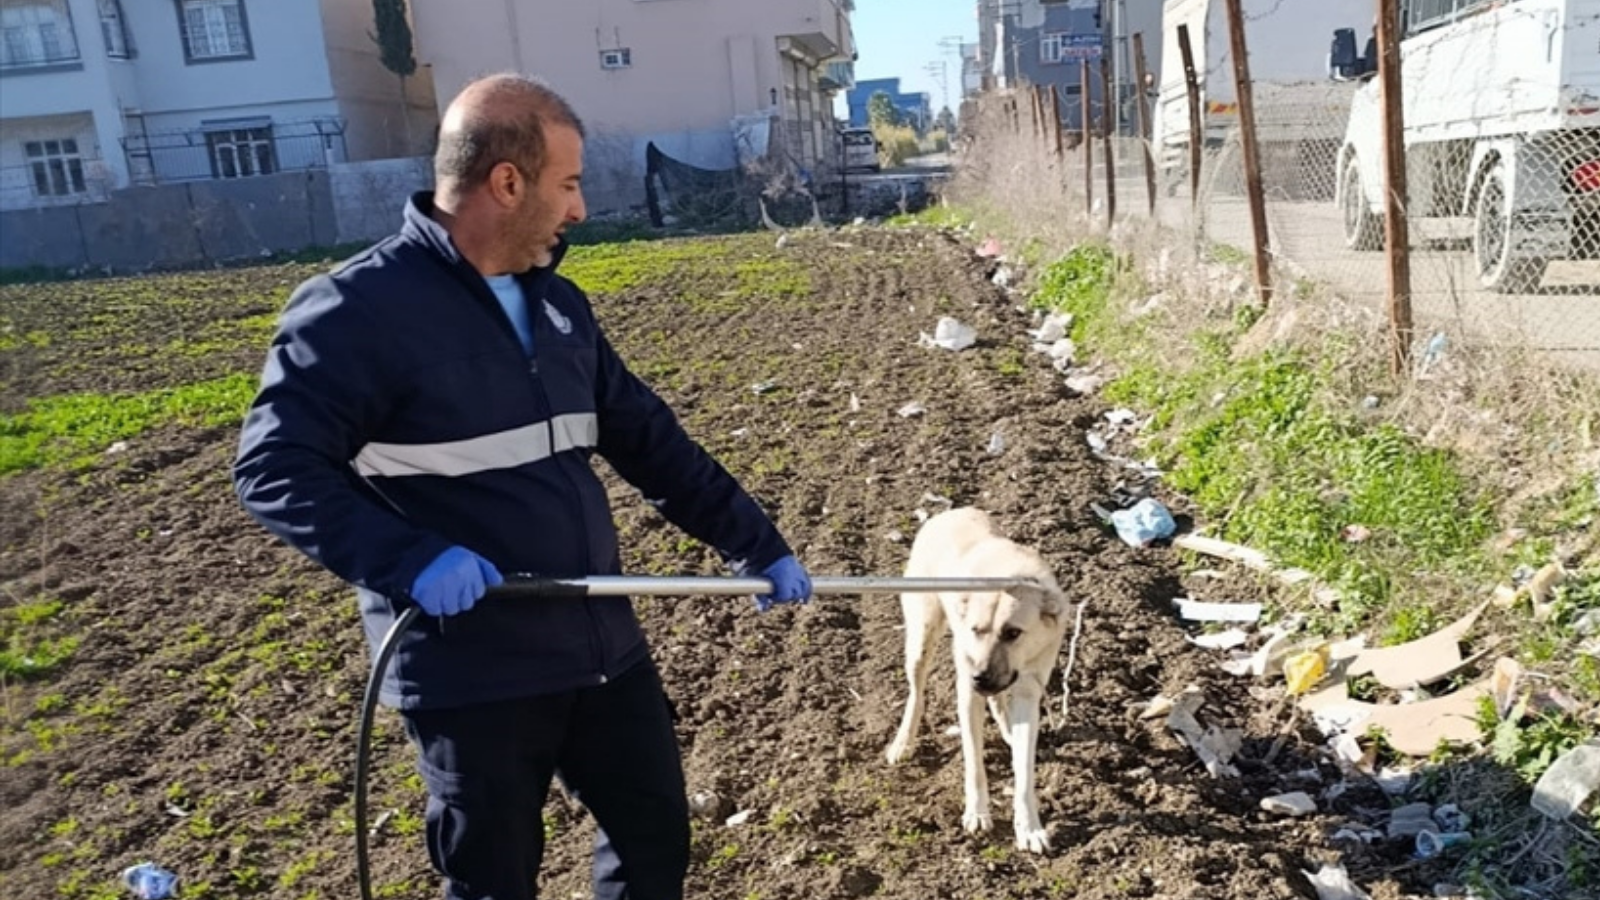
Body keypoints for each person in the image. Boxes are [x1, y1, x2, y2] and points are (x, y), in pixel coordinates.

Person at [232, 72, 813, 900]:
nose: (578, 209)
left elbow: (650, 443)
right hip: (470, 670)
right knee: (494, 880)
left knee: (653, 847)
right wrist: (411, 558)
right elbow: (273, 467)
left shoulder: (560, 306)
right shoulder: (357, 311)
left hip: (600, 646)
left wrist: (755, 542)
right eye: (568, 184)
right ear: (507, 182)